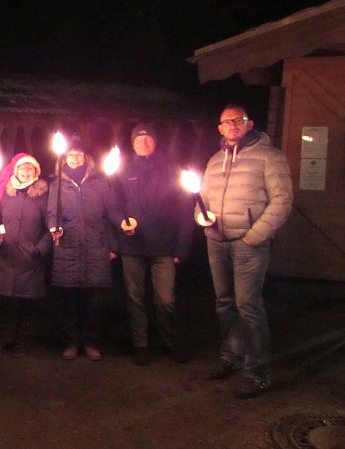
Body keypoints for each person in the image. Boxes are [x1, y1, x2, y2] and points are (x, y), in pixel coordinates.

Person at [198, 104, 293, 399]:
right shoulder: (214, 161)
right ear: (220, 129)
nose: (233, 125)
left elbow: (282, 200)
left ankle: (257, 371)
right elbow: (201, 198)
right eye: (226, 122)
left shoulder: (269, 157)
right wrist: (201, 218)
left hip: (248, 244)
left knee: (248, 306)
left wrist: (255, 236)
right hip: (216, 241)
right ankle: (231, 356)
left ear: (249, 123)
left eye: (238, 120)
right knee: (224, 303)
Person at [117, 123, 193, 366]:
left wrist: (182, 246)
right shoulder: (123, 169)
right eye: (138, 140)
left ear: (156, 141)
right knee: (134, 298)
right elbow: (113, 204)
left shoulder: (170, 168)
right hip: (133, 245)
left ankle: (169, 340)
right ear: (132, 144)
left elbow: (184, 208)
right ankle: (141, 344)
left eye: (148, 138)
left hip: (164, 246)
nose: (143, 142)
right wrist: (121, 223)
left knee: (165, 300)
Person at [48, 139, 123, 361]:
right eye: (71, 154)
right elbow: (52, 212)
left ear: (86, 158)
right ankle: (71, 342)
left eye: (79, 154)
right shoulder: (57, 184)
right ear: (64, 158)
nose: (75, 158)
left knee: (94, 302)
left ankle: (91, 342)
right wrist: (54, 226)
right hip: (68, 246)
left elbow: (111, 213)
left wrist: (114, 244)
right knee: (69, 300)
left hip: (96, 248)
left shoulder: (100, 183)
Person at [0, 153, 50, 358]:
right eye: (22, 168)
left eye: (30, 168)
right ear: (16, 170)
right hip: (5, 255)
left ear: (36, 172)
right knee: (2, 304)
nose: (25, 171)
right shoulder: (4, 192)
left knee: (26, 305)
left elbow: (52, 225)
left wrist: (39, 248)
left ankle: (20, 342)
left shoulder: (43, 196)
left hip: (29, 259)